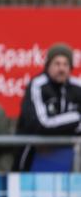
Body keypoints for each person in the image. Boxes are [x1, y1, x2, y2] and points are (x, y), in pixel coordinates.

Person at [15, 43, 80, 172]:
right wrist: (76, 117)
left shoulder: (77, 87)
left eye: (65, 64)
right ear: (48, 65)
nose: (61, 69)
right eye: (57, 63)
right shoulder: (38, 85)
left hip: (67, 160)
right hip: (33, 159)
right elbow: (40, 124)